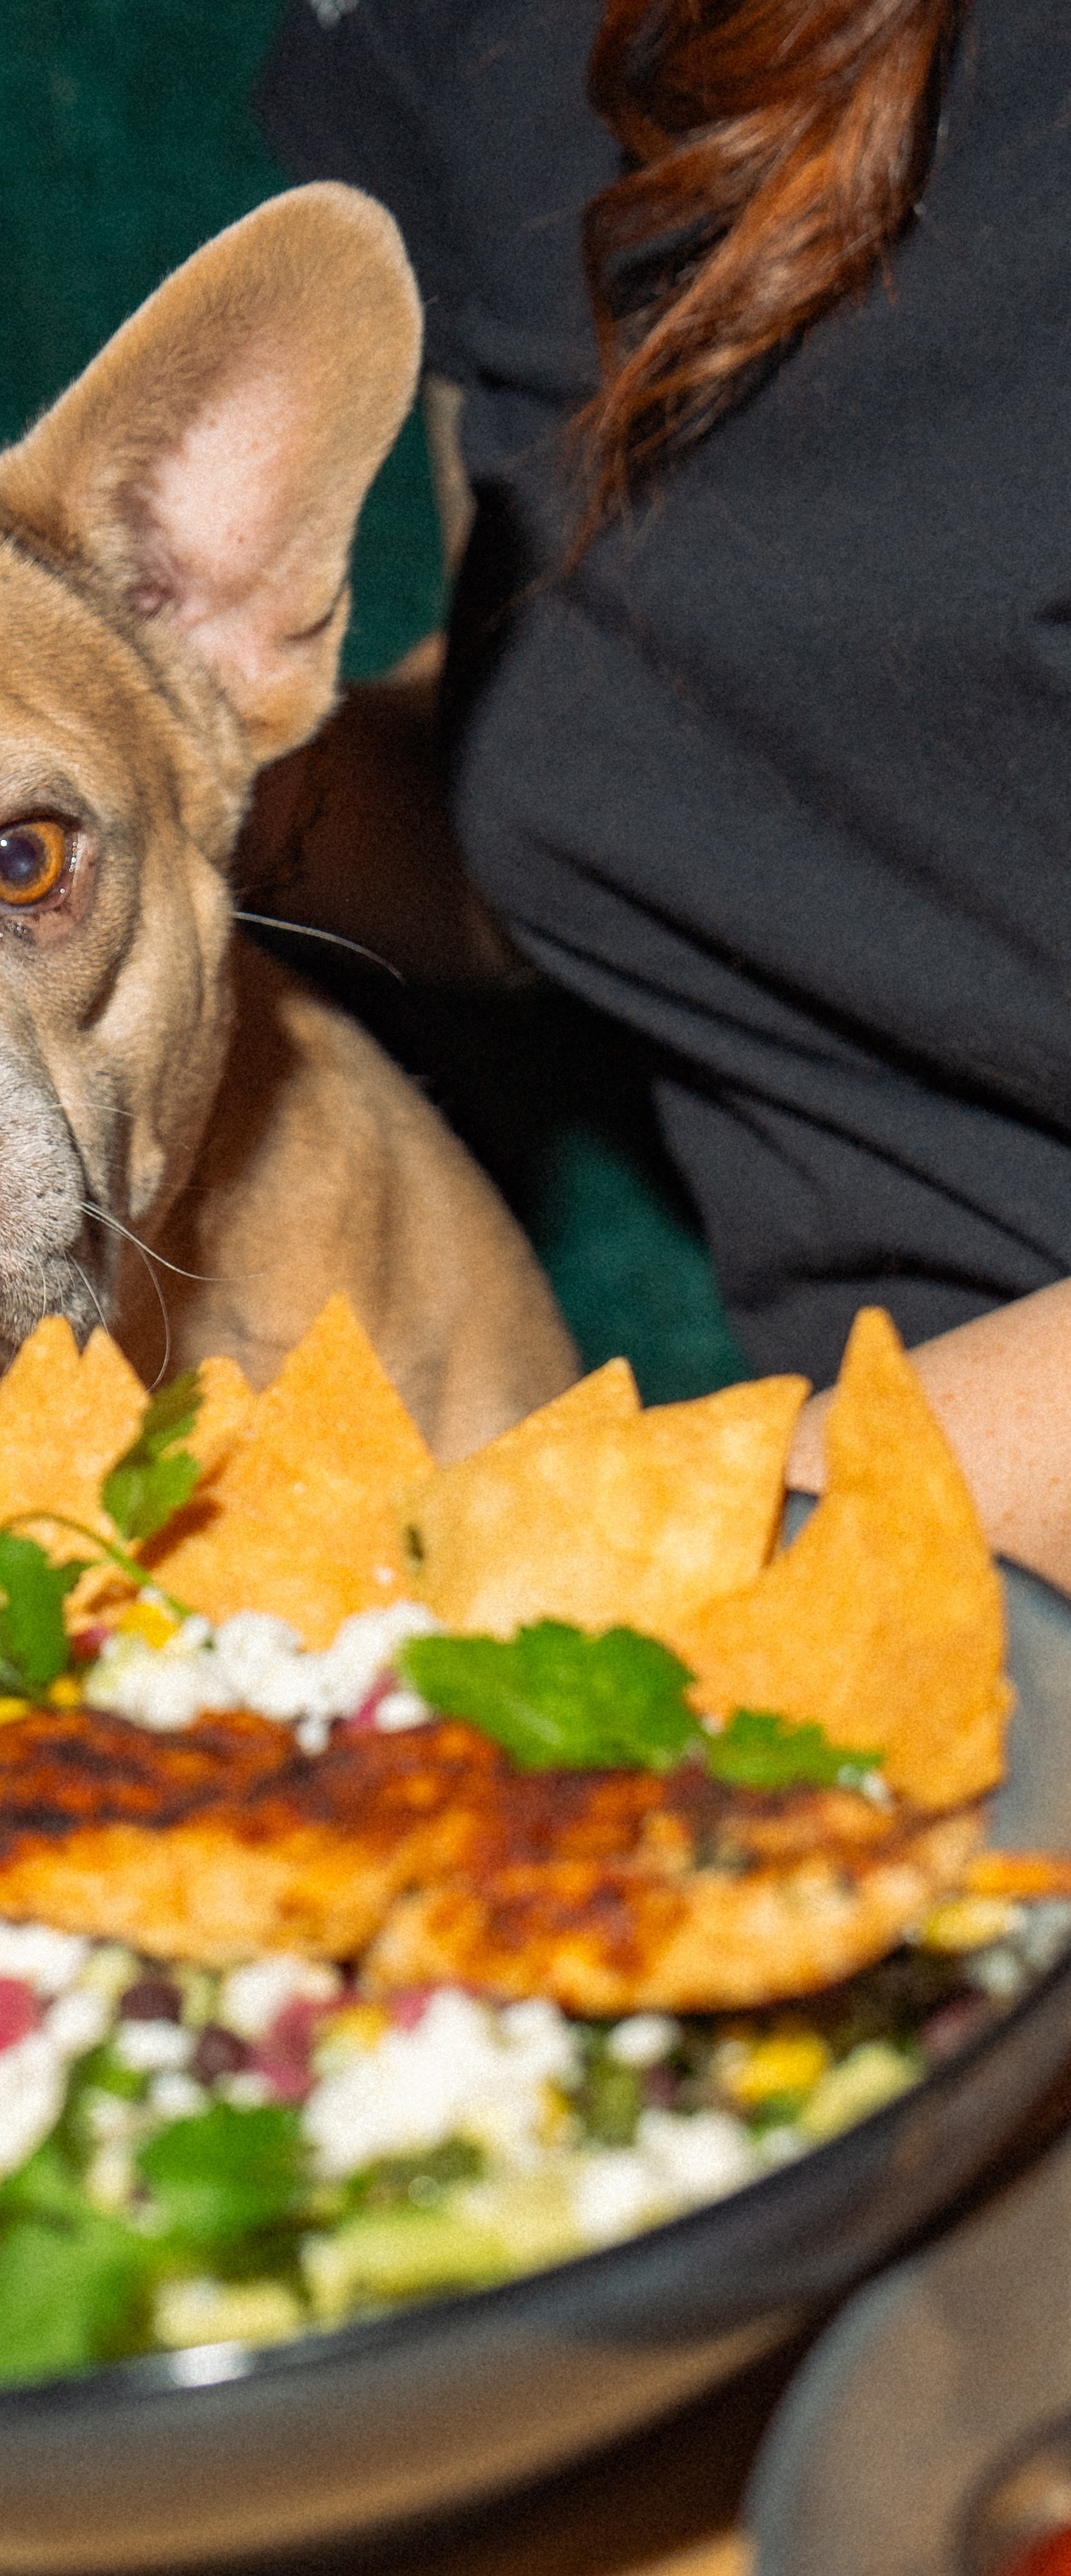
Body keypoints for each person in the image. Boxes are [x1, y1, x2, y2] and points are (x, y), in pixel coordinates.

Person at [241, 0, 1071, 1586]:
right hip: (868, 1613)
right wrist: (151, 780)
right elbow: (559, 801)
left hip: (817, 1559)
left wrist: (632, 1549)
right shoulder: (432, 43)